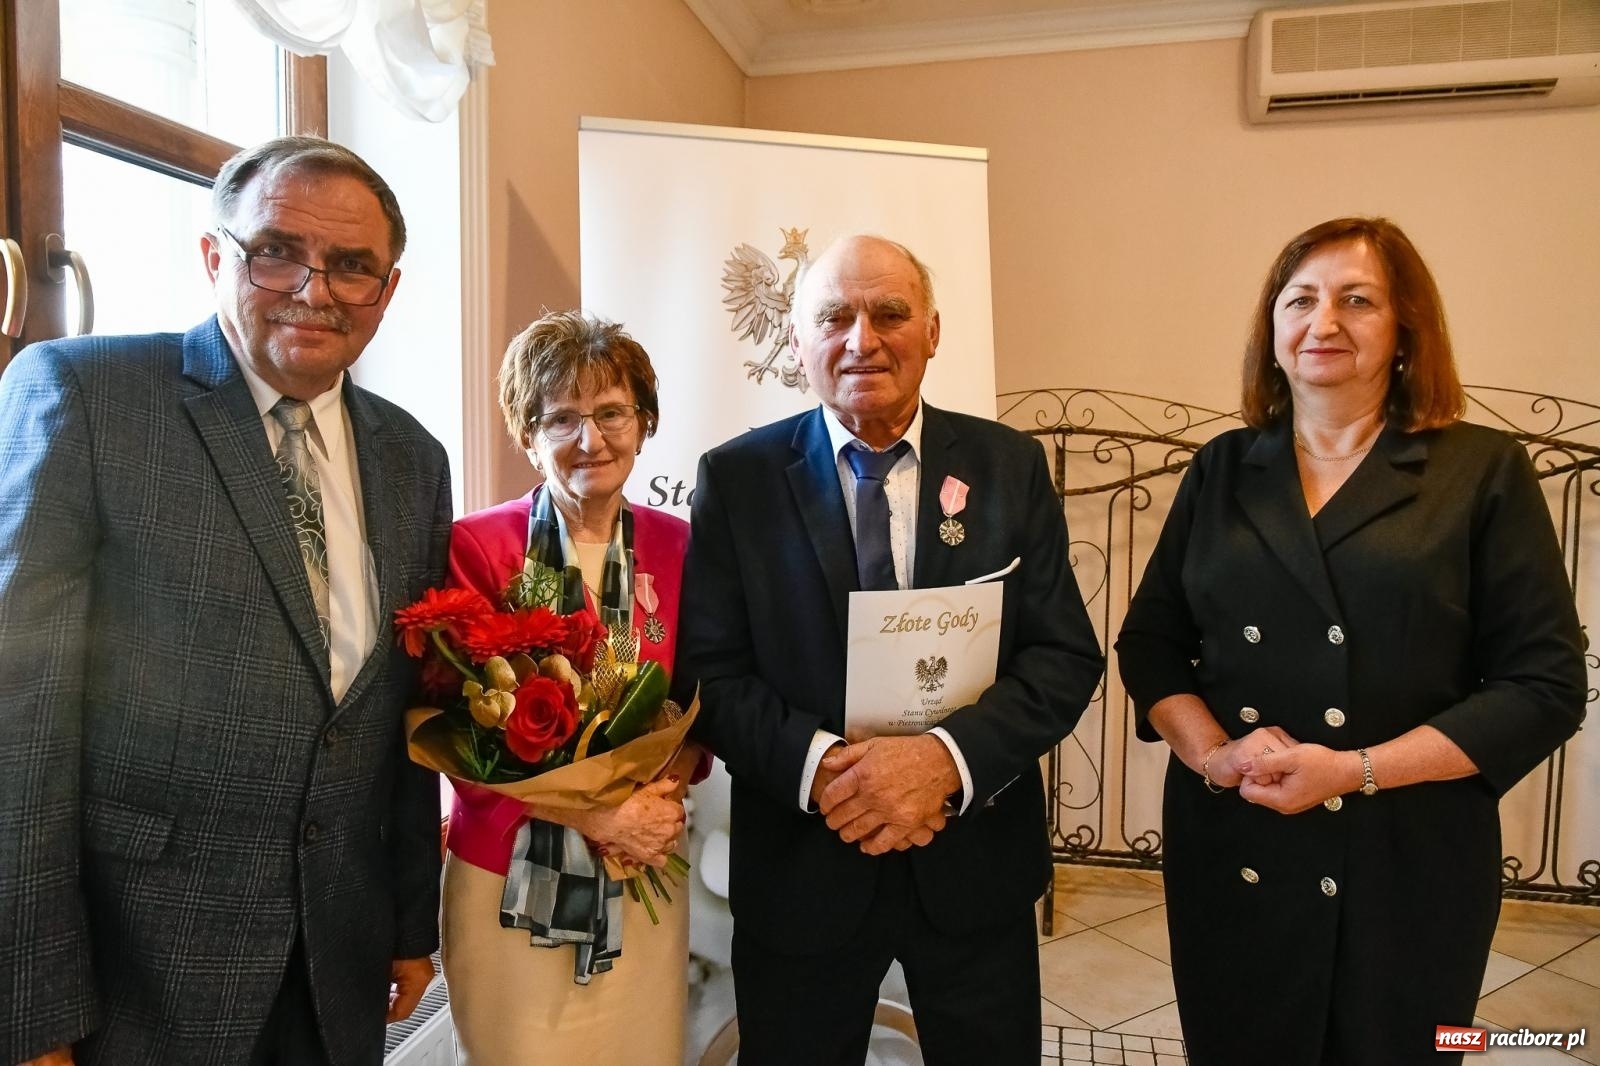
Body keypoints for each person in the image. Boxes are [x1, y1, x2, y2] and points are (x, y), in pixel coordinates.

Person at [0, 137, 452, 1066]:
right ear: (216, 256)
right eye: (276, 249)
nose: (313, 287)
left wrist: (412, 916)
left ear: (387, 290)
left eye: (352, 266)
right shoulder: (87, 397)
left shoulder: (413, 458)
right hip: (139, 967)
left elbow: (402, 712)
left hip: (339, 957)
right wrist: (32, 996)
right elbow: (19, 719)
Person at [1116, 217, 1586, 1065]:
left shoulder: (1478, 470)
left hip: (1407, 852)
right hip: (1237, 844)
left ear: (1406, 328)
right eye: (1301, 300)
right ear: (1273, 328)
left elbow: (1544, 685)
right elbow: (1150, 645)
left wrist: (1355, 771)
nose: (1323, 322)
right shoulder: (1222, 468)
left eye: (1356, 300)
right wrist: (1215, 754)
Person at [678, 234, 1104, 1065]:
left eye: (889, 313)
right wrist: (837, 772)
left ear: (934, 331)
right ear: (797, 342)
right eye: (833, 317)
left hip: (974, 866)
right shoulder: (738, 479)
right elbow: (712, 674)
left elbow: (1062, 656)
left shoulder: (1008, 465)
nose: (861, 339)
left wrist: (942, 763)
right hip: (805, 865)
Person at [439, 310, 704, 1065]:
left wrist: (645, 804)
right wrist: (595, 812)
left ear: (645, 423)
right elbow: (454, 728)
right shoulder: (479, 547)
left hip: (642, 862)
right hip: (508, 875)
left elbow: (702, 703)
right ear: (528, 435)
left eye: (613, 412)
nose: (592, 439)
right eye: (562, 418)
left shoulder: (679, 545)